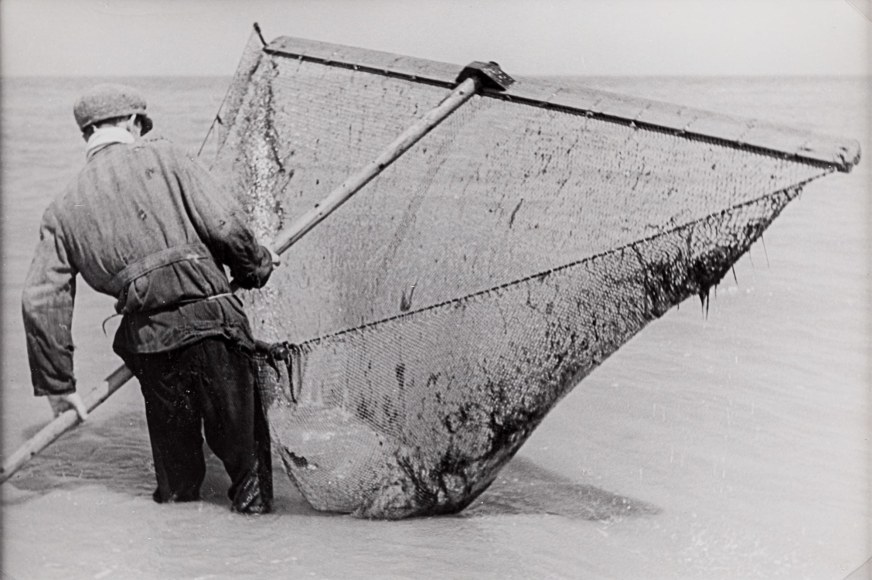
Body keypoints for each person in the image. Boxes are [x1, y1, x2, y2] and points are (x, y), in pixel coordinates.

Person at [22, 83, 279, 514]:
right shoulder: (167, 156)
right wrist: (256, 266)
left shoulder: (61, 208)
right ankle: (253, 559)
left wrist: (58, 386)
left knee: (177, 484)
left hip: (152, 345)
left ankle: (174, 559)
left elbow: (40, 300)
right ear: (130, 122)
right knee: (248, 469)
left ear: (88, 133)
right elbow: (226, 227)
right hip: (214, 324)